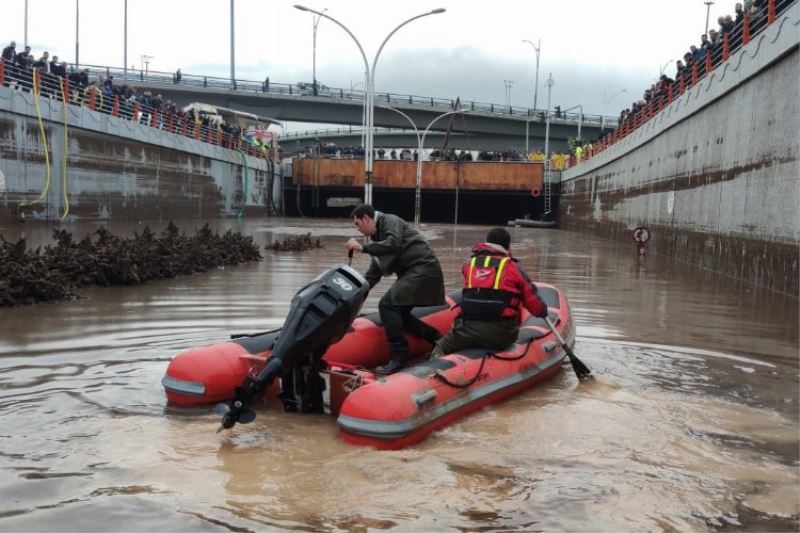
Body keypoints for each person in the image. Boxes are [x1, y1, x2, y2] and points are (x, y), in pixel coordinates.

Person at [346, 204, 444, 374]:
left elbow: (393, 244)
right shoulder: (377, 241)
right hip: (413, 273)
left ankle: (398, 359)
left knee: (387, 305)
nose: (358, 229)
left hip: (423, 268)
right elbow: (373, 274)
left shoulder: (389, 220)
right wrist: (354, 295)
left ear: (367, 219)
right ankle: (439, 339)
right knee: (401, 315)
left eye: (357, 224)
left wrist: (363, 248)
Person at [430, 228, 548, 358]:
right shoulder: (513, 267)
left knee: (441, 346)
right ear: (508, 247)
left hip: (466, 331)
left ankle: (432, 373)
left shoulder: (468, 265)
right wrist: (543, 311)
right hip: (501, 335)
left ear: (486, 242)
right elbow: (535, 305)